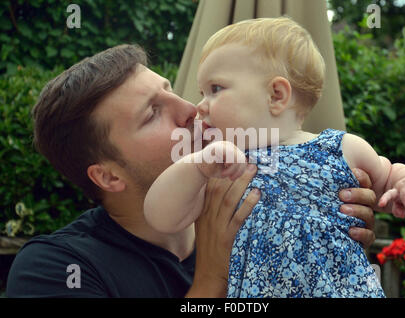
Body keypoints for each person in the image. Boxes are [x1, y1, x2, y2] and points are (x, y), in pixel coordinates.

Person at [6, 44, 378, 298]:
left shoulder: (261, 199)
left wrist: (333, 231)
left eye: (169, 89)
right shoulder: (58, 269)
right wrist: (211, 277)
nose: (189, 108)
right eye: (152, 113)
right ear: (109, 177)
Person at [143, 17, 405, 298]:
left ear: (276, 95)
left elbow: (386, 178)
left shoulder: (341, 147)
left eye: (215, 89)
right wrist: (196, 166)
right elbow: (161, 216)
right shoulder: (220, 169)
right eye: (202, 92)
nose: (200, 106)